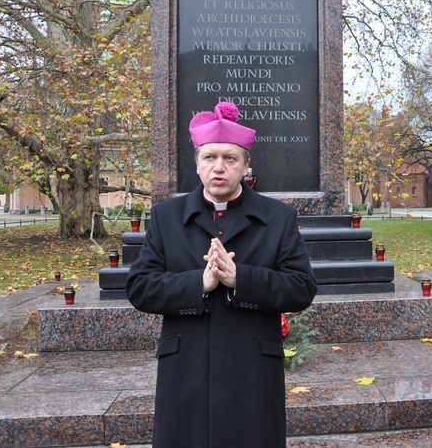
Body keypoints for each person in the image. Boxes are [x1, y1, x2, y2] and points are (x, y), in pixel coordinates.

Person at [126, 102, 318, 448]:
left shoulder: (279, 218)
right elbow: (140, 287)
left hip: (251, 371)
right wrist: (197, 283)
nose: (219, 167)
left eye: (230, 158)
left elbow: (302, 287)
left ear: (246, 165)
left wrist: (239, 280)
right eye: (210, 157)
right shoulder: (166, 217)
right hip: (186, 370)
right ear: (197, 165)